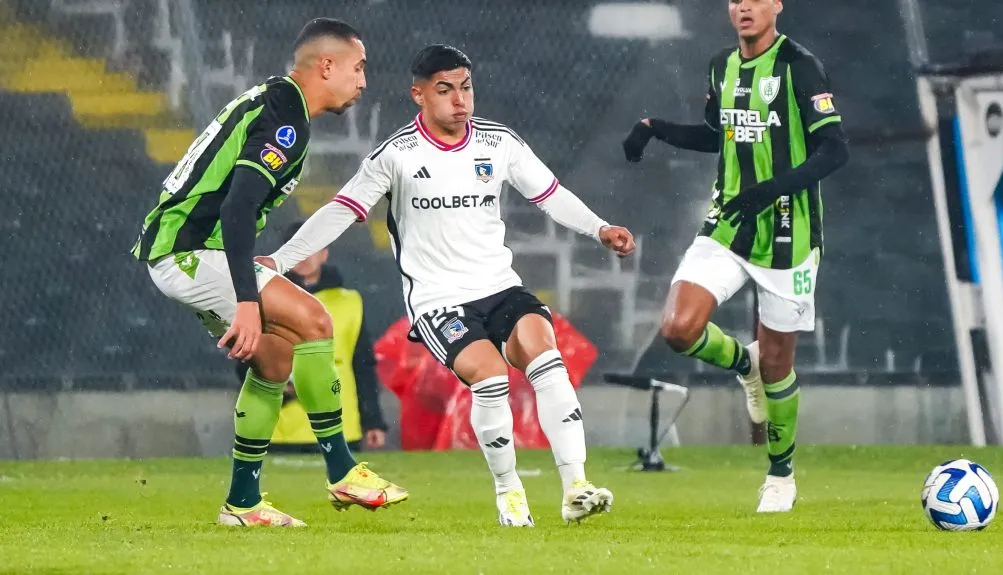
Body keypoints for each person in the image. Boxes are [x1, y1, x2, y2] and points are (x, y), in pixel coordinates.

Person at [266, 45, 636, 527]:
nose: (460, 100)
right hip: (440, 301)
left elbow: (550, 194)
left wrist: (599, 228)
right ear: (418, 94)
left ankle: (575, 488)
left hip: (501, 286)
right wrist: (279, 259)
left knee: (547, 357)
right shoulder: (396, 156)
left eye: (466, 87)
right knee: (491, 378)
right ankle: (509, 491)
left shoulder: (498, 142)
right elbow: (340, 211)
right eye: (445, 90)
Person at [131, 18, 407, 527]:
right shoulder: (285, 116)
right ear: (327, 66)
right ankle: (343, 472)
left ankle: (242, 503)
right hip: (191, 250)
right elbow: (237, 209)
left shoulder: (276, 102)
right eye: (358, 68)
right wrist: (246, 300)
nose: (364, 81)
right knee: (316, 320)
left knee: (276, 362)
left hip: (179, 252)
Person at [621, 0, 849, 512]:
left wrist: (771, 189)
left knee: (779, 366)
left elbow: (835, 149)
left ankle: (781, 475)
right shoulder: (721, 66)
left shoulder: (800, 67)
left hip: (788, 232)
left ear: (776, 5)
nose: (743, 6)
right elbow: (717, 135)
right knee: (678, 329)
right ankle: (743, 362)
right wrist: (654, 127)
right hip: (728, 222)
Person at [234, 221, 389, 453]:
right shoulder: (264, 298)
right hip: (280, 430)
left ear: (324, 253)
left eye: (311, 247)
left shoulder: (350, 301)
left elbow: (363, 365)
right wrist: (275, 385)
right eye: (297, 248)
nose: (304, 256)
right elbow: (246, 355)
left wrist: (372, 420)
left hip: (341, 426)